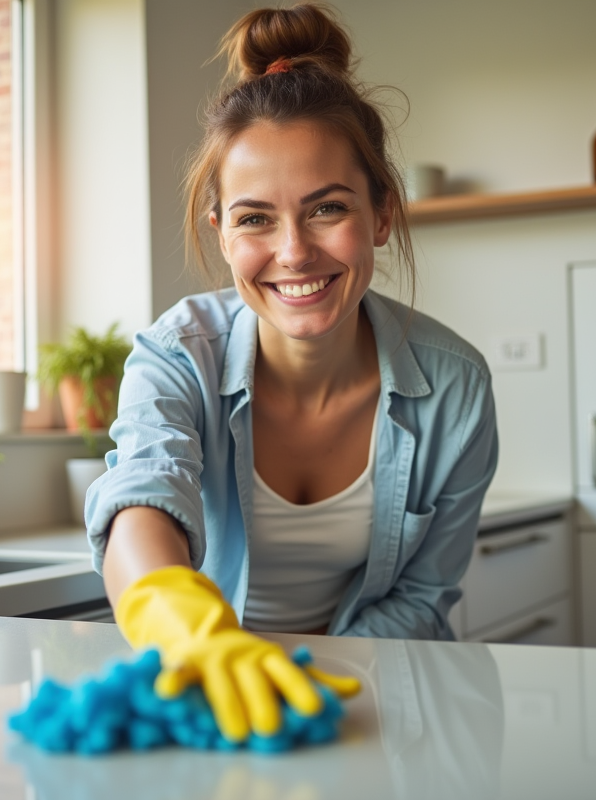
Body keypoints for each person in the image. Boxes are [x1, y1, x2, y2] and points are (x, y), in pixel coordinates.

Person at [84, 2, 498, 744]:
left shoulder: (456, 387)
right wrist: (188, 630)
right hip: (206, 703)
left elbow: (424, 597)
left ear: (380, 214)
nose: (294, 252)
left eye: (326, 209)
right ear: (221, 230)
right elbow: (141, 499)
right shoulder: (177, 354)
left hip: (373, 709)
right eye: (254, 219)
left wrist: (307, 684)